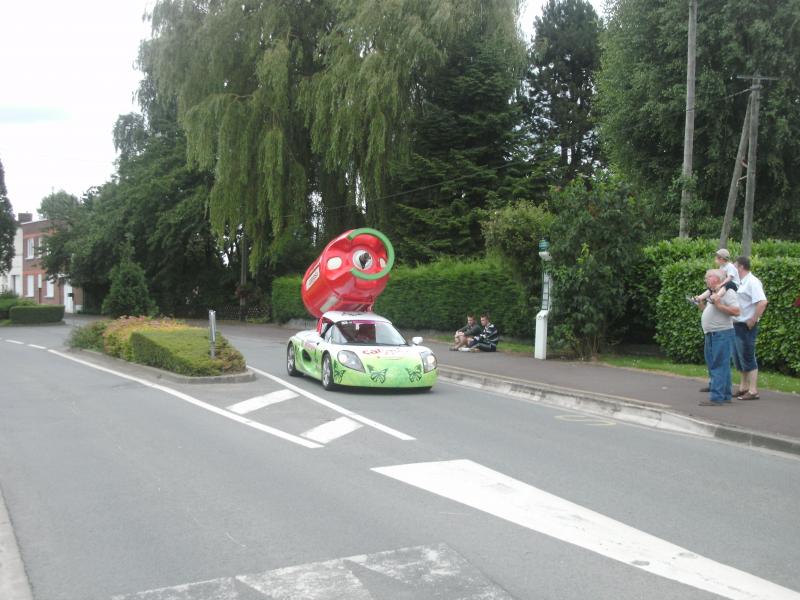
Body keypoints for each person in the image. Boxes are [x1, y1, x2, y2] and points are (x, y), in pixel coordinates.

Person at [695, 269, 740, 406]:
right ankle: (725, 395)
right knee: (719, 365)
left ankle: (717, 398)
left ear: (717, 278)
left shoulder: (728, 292)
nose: (705, 279)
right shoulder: (714, 292)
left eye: (708, 277)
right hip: (713, 334)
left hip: (721, 333)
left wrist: (719, 304)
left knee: (718, 365)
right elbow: (710, 311)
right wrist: (700, 304)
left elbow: (737, 311)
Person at [732, 256, 768, 400]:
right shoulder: (741, 282)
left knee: (747, 356)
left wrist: (753, 320)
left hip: (745, 326)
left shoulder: (752, 282)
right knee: (739, 357)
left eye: (735, 265)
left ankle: (753, 391)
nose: (733, 268)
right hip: (737, 325)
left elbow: (762, 302)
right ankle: (743, 387)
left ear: (741, 267)